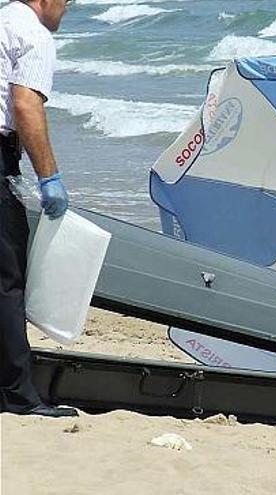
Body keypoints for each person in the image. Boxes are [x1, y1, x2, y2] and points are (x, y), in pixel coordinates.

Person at [1, 0, 76, 417]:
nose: (69, 7)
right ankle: (18, 397)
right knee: (7, 280)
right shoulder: (33, 33)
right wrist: (49, 177)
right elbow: (26, 105)